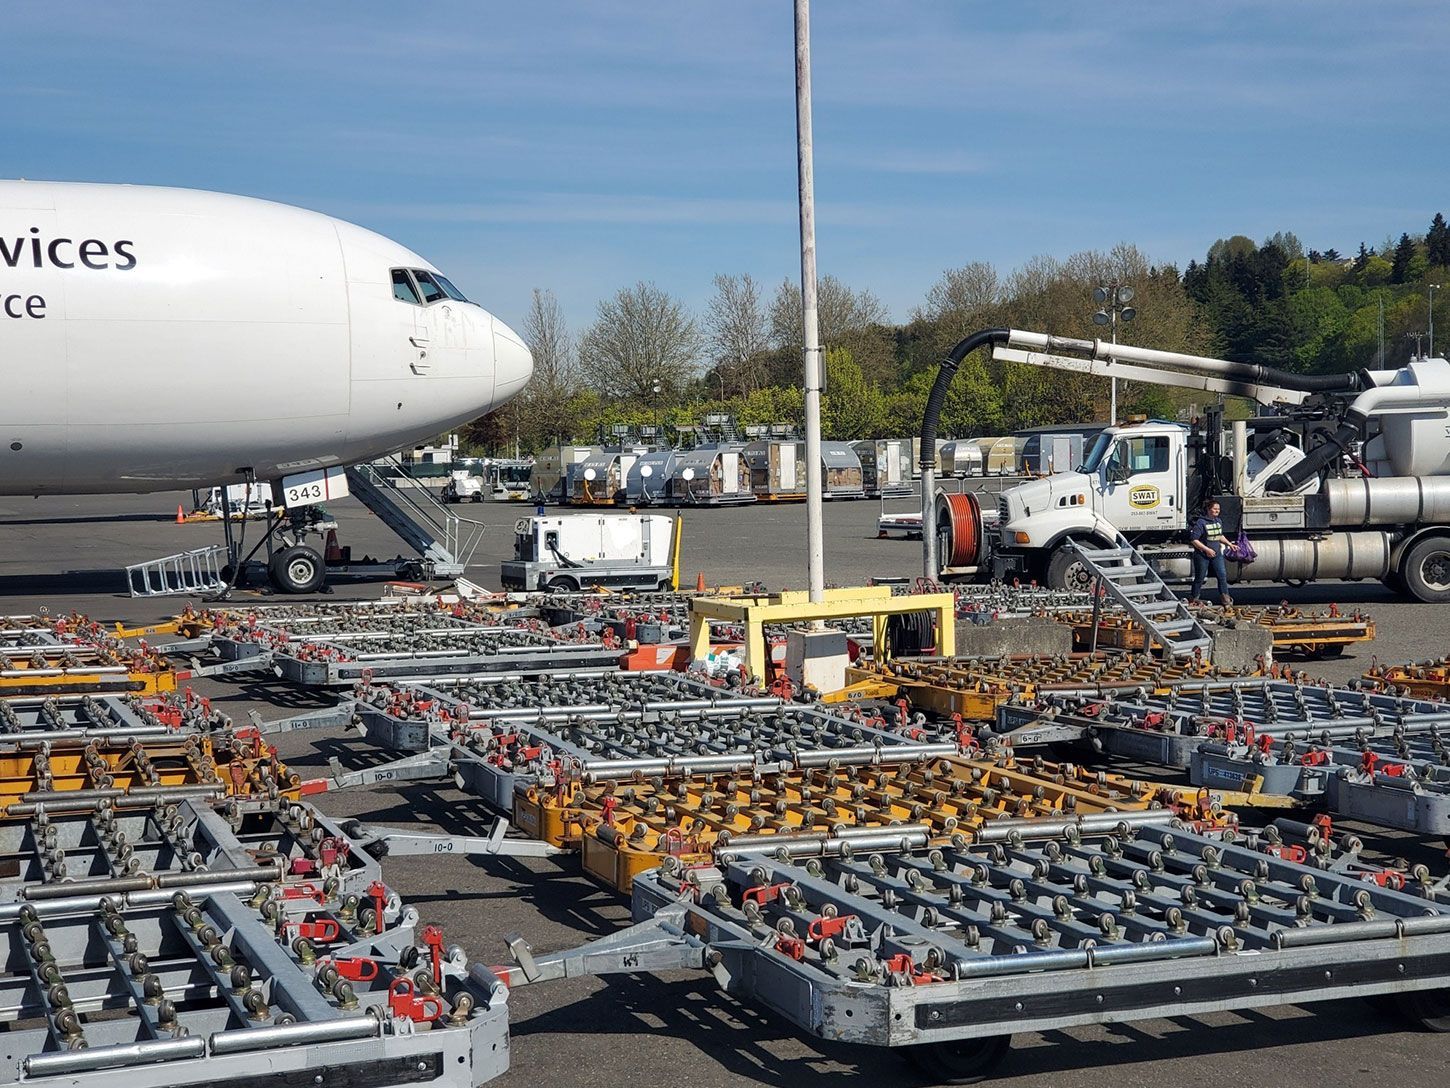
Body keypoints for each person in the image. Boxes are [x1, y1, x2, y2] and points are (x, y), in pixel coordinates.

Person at [1188, 499, 1233, 606]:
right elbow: (1194, 540)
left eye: (1218, 509)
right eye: (1214, 509)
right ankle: (1194, 597)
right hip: (1202, 555)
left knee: (1222, 575)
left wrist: (1229, 544)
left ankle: (1225, 598)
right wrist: (1206, 550)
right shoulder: (1201, 522)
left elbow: (1219, 535)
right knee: (1200, 577)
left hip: (1217, 554)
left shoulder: (1218, 521)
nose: (1217, 511)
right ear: (1208, 509)